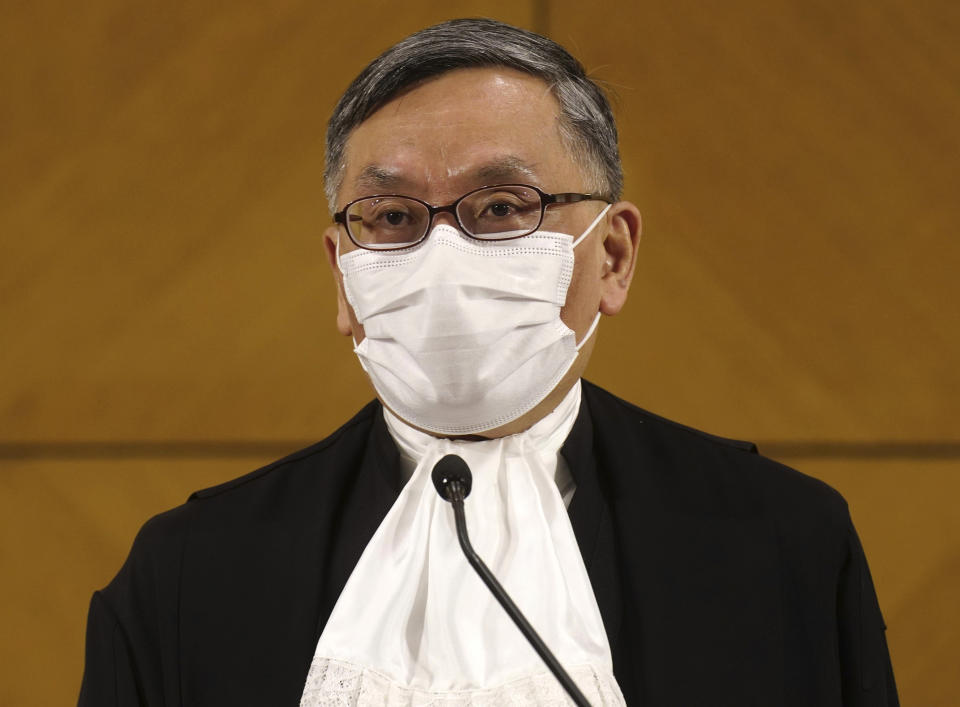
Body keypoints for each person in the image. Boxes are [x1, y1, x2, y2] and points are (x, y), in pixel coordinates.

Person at [78, 18, 898, 706]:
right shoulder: (188, 574)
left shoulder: (783, 543)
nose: (442, 254)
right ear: (342, 276)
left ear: (611, 256)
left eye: (503, 207)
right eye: (393, 215)